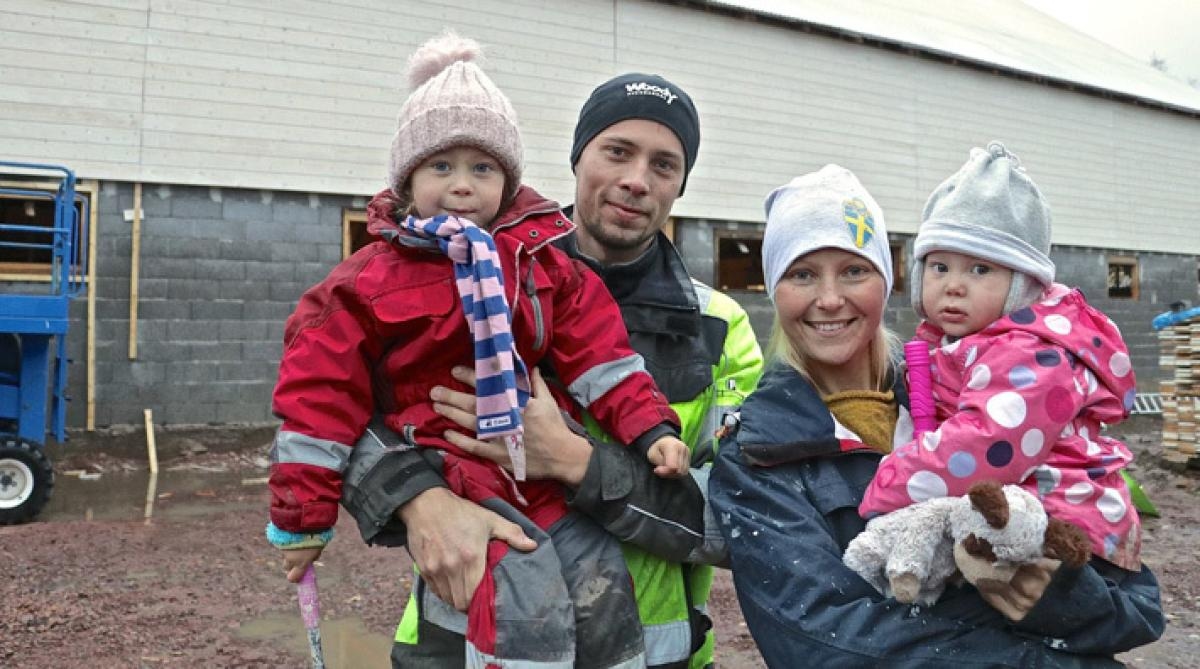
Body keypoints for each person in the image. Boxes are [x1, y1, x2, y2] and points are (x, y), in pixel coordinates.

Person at [267, 33, 693, 668]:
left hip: (541, 485)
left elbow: (604, 359)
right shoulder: (366, 282)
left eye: (482, 168)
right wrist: (312, 516)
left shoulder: (541, 268)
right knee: (523, 596)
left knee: (600, 579)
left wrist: (651, 428)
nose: (462, 186)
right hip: (455, 472)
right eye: (442, 166)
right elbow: (320, 403)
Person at [339, 72, 764, 668]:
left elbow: (744, 520)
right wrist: (418, 499)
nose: (636, 180)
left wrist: (576, 463)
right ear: (576, 157)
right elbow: (335, 408)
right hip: (460, 646)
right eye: (617, 151)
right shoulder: (458, 270)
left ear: (681, 186)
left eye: (664, 165)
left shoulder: (719, 327)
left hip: (649, 653)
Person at [708, 165, 1164, 667]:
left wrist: (1061, 595)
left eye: (854, 271)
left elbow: (1137, 605)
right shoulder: (759, 451)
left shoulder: (984, 394)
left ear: (888, 280)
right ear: (775, 288)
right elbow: (824, 644)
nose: (830, 298)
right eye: (802, 274)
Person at [859, 141, 1142, 572]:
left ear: (1022, 285)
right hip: (1013, 512)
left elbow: (985, 445)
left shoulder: (1032, 353)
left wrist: (889, 480)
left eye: (980, 269)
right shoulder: (961, 344)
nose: (954, 285)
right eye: (939, 267)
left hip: (1064, 524)